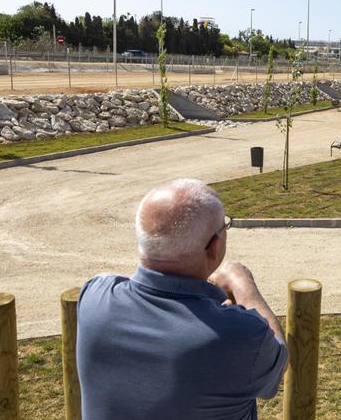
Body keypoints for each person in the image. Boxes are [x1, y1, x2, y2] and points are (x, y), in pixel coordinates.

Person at [76, 179, 286, 420]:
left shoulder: (94, 297)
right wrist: (243, 285)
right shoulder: (239, 334)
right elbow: (279, 362)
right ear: (215, 246)